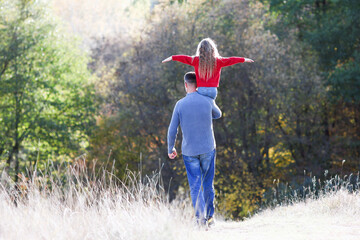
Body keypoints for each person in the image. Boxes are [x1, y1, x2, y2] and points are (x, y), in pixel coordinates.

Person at [167, 72, 221, 227]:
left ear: (186, 85)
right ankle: (210, 218)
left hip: (189, 151)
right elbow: (218, 114)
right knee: (208, 184)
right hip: (208, 148)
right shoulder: (207, 100)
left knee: (195, 186)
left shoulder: (180, 104)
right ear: (199, 84)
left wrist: (171, 148)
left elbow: (172, 129)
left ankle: (200, 220)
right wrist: (209, 100)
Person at [162, 37, 254, 101]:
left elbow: (184, 58)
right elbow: (231, 60)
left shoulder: (196, 60)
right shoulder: (218, 61)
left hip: (201, 90)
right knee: (210, 107)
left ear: (200, 50)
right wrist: (244, 59)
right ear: (213, 49)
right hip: (213, 91)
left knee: (201, 107)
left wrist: (172, 57)